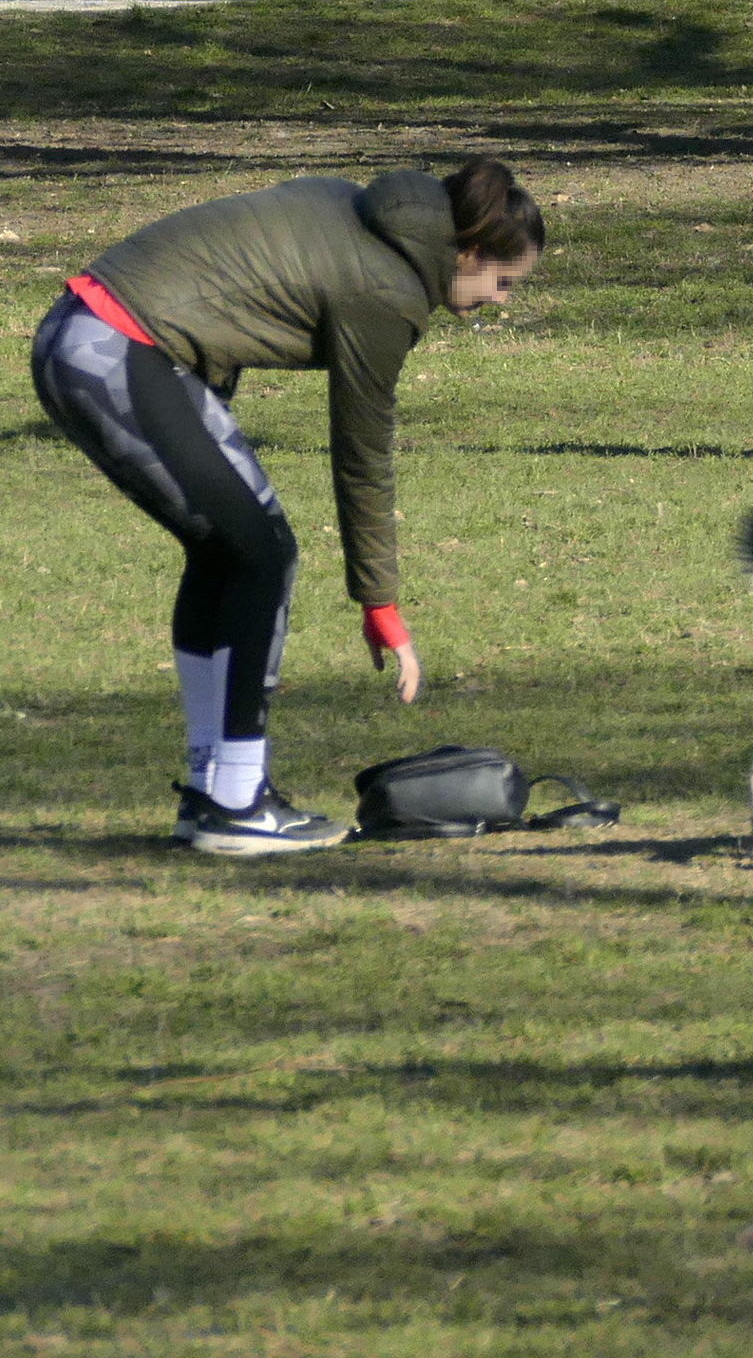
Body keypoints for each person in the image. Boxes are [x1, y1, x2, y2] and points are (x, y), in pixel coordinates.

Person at [27, 161, 546, 855]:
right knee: (261, 555)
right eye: (504, 282)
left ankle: (218, 792)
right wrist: (380, 601)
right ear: (471, 251)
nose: (502, 301)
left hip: (87, 334)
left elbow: (227, 289)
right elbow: (362, 453)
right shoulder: (386, 290)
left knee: (230, 553)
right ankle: (236, 804)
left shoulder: (358, 207)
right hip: (116, 349)